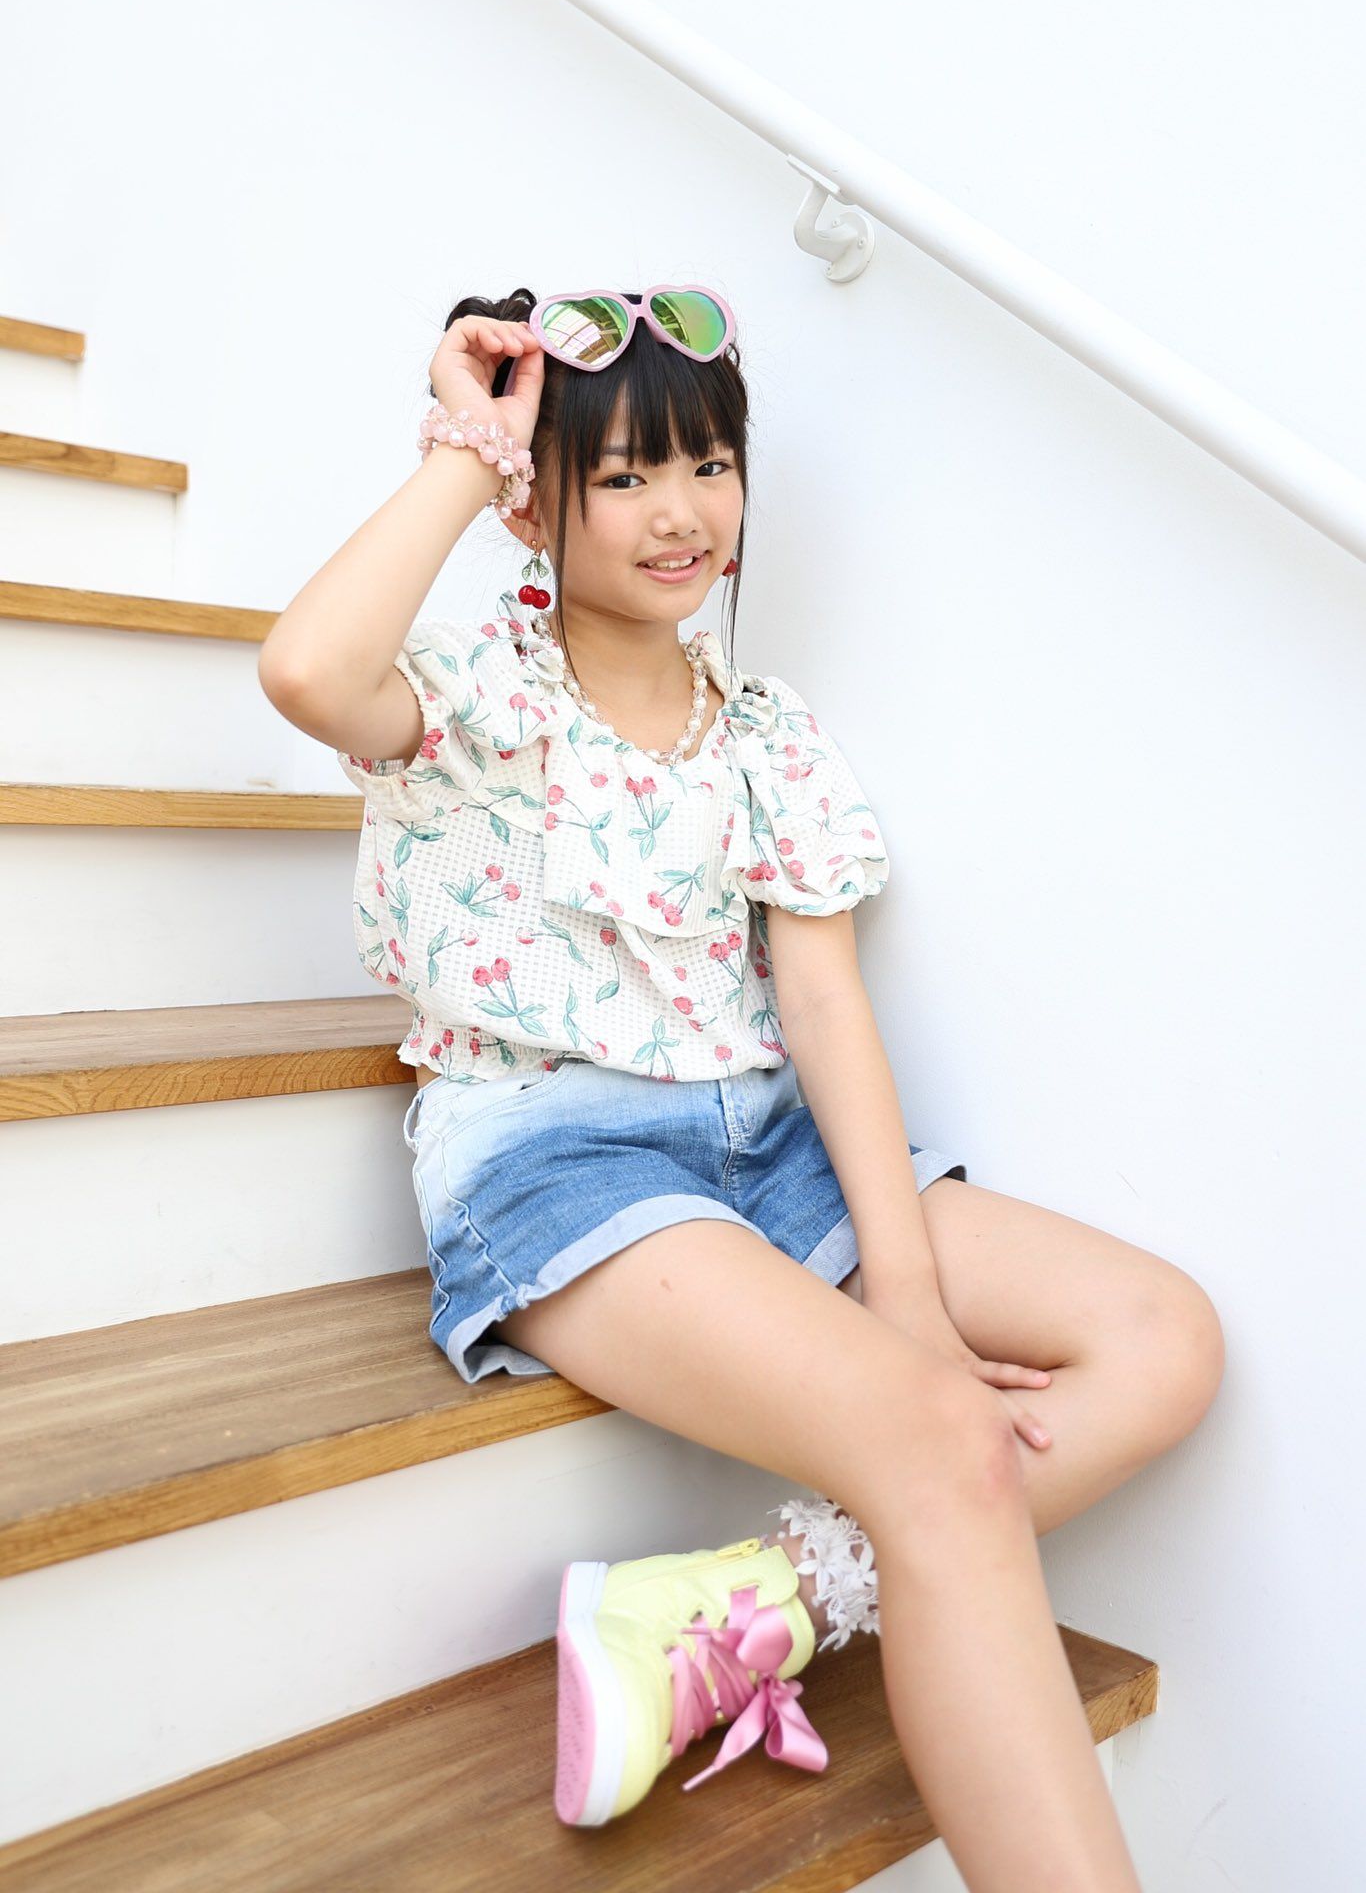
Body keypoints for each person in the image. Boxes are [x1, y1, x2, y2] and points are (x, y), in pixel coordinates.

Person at [259, 286, 1223, 1889]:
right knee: (938, 1443)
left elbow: (824, 1006)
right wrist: (470, 442)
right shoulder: (475, 691)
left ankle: (753, 1607)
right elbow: (303, 670)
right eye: (624, 474)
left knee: (1160, 1336)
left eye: (708, 465)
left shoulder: (764, 731)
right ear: (533, 504)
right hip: (558, 1156)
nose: (681, 511)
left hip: (763, 1145)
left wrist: (903, 1285)